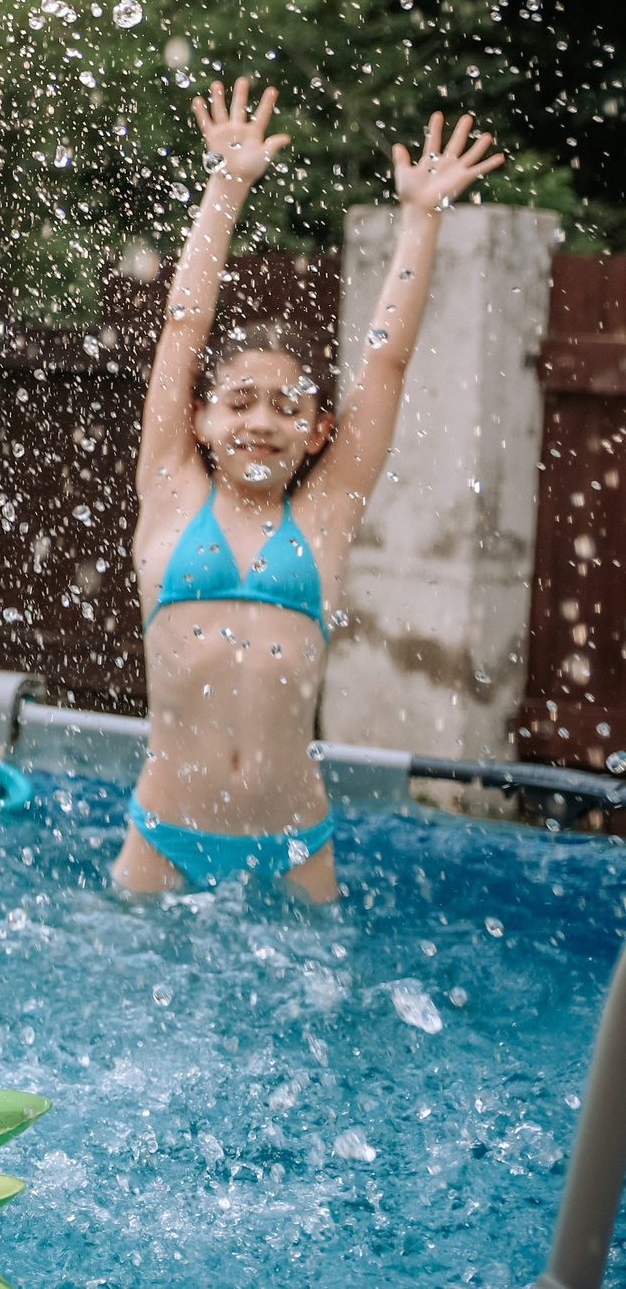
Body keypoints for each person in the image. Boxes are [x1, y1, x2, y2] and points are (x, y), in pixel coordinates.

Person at [116, 79, 503, 900]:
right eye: (240, 402)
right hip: (163, 836)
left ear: (318, 431)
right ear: (200, 418)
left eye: (287, 407)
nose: (261, 421)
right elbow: (185, 324)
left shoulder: (323, 514)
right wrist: (227, 185)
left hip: (296, 845)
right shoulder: (173, 495)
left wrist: (421, 218)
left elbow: (386, 362)